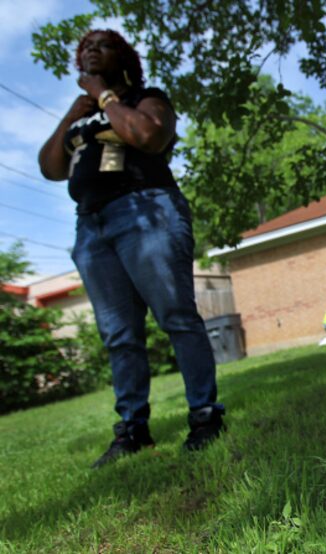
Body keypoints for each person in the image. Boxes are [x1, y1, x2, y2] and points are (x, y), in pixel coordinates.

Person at [38, 29, 224, 468]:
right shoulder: (81, 115)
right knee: (119, 335)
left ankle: (204, 416)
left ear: (121, 57)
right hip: (91, 226)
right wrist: (74, 110)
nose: (89, 52)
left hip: (146, 210)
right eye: (84, 48)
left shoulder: (146, 97)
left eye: (100, 46)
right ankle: (133, 429)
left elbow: (149, 136)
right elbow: (50, 168)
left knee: (176, 316)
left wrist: (104, 96)